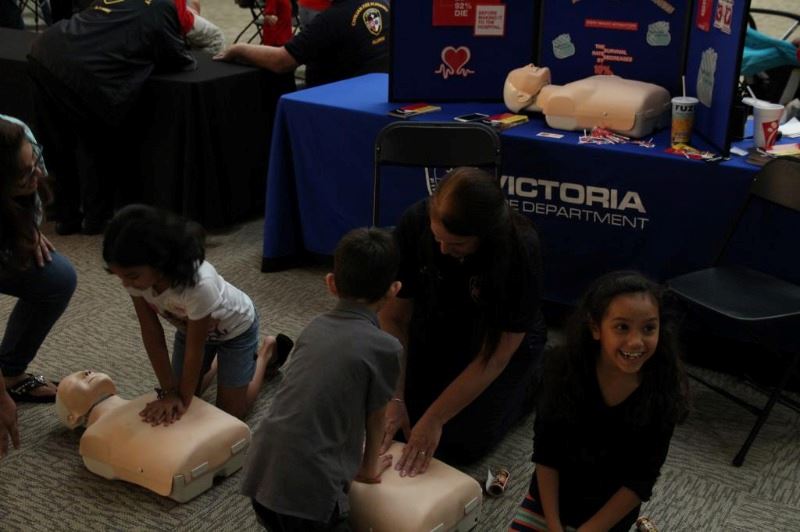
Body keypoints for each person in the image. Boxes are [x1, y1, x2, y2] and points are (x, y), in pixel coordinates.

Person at [379, 167, 547, 474]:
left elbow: (495, 356)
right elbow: (393, 317)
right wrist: (395, 395)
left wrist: (435, 419)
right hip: (438, 318)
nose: (443, 249)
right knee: (397, 422)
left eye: (456, 245)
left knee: (458, 445)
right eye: (437, 239)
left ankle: (533, 381)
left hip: (497, 338)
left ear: (485, 236)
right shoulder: (415, 221)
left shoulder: (519, 248)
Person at [241, 227, 402, 531]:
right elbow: (376, 417)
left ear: (330, 283)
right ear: (393, 290)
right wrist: (368, 470)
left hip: (260, 477)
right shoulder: (387, 347)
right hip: (310, 501)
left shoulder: (314, 327)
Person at [510, 271, 688, 532]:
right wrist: (554, 525)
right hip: (551, 502)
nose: (636, 341)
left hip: (608, 517)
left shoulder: (663, 390)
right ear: (595, 328)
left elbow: (640, 479)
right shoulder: (561, 370)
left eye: (649, 328)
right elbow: (546, 453)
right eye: (621, 327)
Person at [102, 204, 290, 424]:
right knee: (186, 391)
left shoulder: (199, 285)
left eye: (132, 276)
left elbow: (195, 348)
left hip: (236, 331)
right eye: (120, 276)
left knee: (230, 413)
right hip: (190, 328)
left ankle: (266, 351)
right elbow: (152, 333)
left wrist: (181, 399)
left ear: (160, 261)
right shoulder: (136, 280)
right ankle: (221, 362)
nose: (126, 284)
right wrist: (169, 391)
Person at [27, 0, 197, 235]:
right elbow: (176, 57)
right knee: (94, 143)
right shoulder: (165, 8)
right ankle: (96, 219)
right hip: (86, 72)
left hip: (46, 49)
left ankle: (65, 217)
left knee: (57, 143)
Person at [55, 369, 253, 502]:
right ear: (72, 418)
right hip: (196, 462)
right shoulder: (93, 438)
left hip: (201, 460)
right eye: (75, 379)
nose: (87, 372)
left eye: (87, 370)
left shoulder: (155, 399)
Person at [0, 115, 77, 405]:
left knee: (56, 278)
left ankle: (12, 372)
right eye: (24, 173)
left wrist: (27, 230)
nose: (36, 174)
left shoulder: (17, 134)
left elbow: (32, 198)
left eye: (35, 162)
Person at [214, 0, 389, 88]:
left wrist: (239, 49)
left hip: (334, 102)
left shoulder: (332, 20)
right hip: (374, 91)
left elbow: (281, 62)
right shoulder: (383, 5)